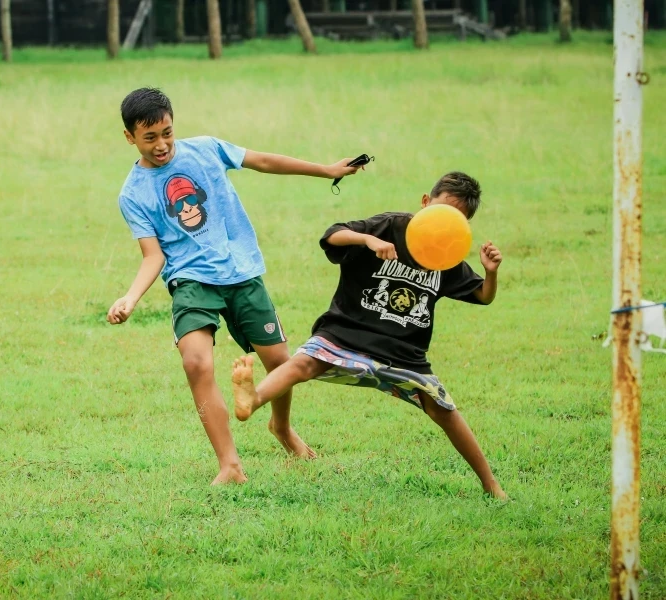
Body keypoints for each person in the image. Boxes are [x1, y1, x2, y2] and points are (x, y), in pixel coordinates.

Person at [107, 87, 365, 485]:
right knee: (195, 362)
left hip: (241, 272)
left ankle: (281, 428)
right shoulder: (133, 193)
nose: (161, 145)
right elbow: (153, 256)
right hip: (191, 280)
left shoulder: (207, 149)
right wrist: (130, 297)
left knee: (280, 364)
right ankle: (230, 465)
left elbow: (262, 160)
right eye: (150, 138)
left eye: (167, 133)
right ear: (130, 138)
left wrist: (326, 170)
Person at [230, 172, 508, 499]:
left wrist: (491, 273)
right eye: (441, 211)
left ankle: (492, 486)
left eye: (456, 220)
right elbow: (333, 235)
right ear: (425, 203)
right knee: (303, 364)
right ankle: (252, 398)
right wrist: (367, 240)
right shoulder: (390, 226)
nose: (445, 224)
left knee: (443, 410)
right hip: (347, 331)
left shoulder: (446, 254)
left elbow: (482, 296)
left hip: (403, 351)